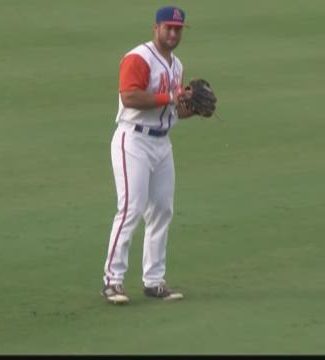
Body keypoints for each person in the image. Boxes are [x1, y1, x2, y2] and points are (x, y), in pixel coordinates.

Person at [101, 6, 195, 304]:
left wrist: (193, 108)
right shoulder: (138, 58)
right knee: (131, 208)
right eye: (168, 27)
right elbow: (129, 95)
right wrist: (170, 97)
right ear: (155, 28)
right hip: (134, 141)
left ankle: (154, 281)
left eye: (178, 29)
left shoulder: (177, 66)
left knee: (162, 210)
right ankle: (112, 281)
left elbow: (173, 108)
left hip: (162, 144)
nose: (172, 33)